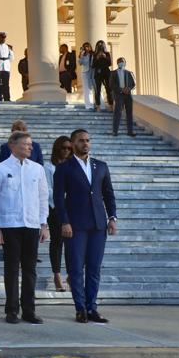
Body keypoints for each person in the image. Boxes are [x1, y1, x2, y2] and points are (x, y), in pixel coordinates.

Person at [53, 129, 118, 323]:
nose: (86, 144)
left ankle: (92, 308)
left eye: (88, 140)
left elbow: (108, 194)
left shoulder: (101, 166)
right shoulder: (64, 168)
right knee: (75, 268)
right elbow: (58, 198)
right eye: (81, 141)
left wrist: (112, 218)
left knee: (94, 268)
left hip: (98, 225)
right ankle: (80, 308)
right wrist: (64, 221)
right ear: (73, 144)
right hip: (75, 225)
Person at [0, 131, 49, 324]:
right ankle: (12, 310)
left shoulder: (37, 169)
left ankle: (29, 310)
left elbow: (43, 197)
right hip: (9, 225)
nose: (30, 147)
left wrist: (43, 223)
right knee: (12, 268)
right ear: (13, 145)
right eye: (26, 144)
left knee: (30, 269)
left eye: (31, 144)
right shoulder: (0, 169)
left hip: (31, 224)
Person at [45, 135, 73, 293]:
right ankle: (57, 274)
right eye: (63, 148)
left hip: (73, 209)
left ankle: (71, 275)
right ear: (57, 149)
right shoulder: (48, 167)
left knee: (73, 242)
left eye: (69, 148)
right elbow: (49, 189)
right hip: (55, 208)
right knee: (57, 242)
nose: (66, 151)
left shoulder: (73, 166)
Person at [110, 57, 136, 136]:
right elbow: (111, 85)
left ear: (125, 63)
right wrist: (121, 90)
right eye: (120, 61)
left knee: (129, 113)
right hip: (119, 95)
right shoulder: (113, 73)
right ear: (117, 63)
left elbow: (133, 84)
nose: (121, 63)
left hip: (128, 95)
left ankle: (130, 131)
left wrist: (128, 89)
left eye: (123, 61)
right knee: (117, 113)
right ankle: (115, 131)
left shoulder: (129, 73)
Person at [0, 31, 14, 101]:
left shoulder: (9, 46)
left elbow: (12, 57)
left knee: (6, 83)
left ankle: (7, 98)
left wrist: (7, 62)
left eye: (4, 38)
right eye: (1, 38)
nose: (3, 39)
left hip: (6, 67)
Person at [92, 41, 113, 112]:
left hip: (106, 73)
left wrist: (105, 57)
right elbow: (93, 65)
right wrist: (97, 58)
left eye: (102, 45)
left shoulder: (107, 54)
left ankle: (111, 105)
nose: (100, 46)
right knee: (97, 90)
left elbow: (110, 63)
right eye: (99, 45)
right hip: (98, 73)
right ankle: (98, 106)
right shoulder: (95, 55)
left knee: (109, 89)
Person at [78, 42, 95, 109]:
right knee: (86, 89)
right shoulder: (83, 55)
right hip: (85, 73)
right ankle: (88, 105)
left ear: (90, 47)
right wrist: (81, 54)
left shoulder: (93, 54)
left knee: (93, 88)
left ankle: (96, 103)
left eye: (87, 46)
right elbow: (80, 63)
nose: (86, 48)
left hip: (92, 72)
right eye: (85, 46)